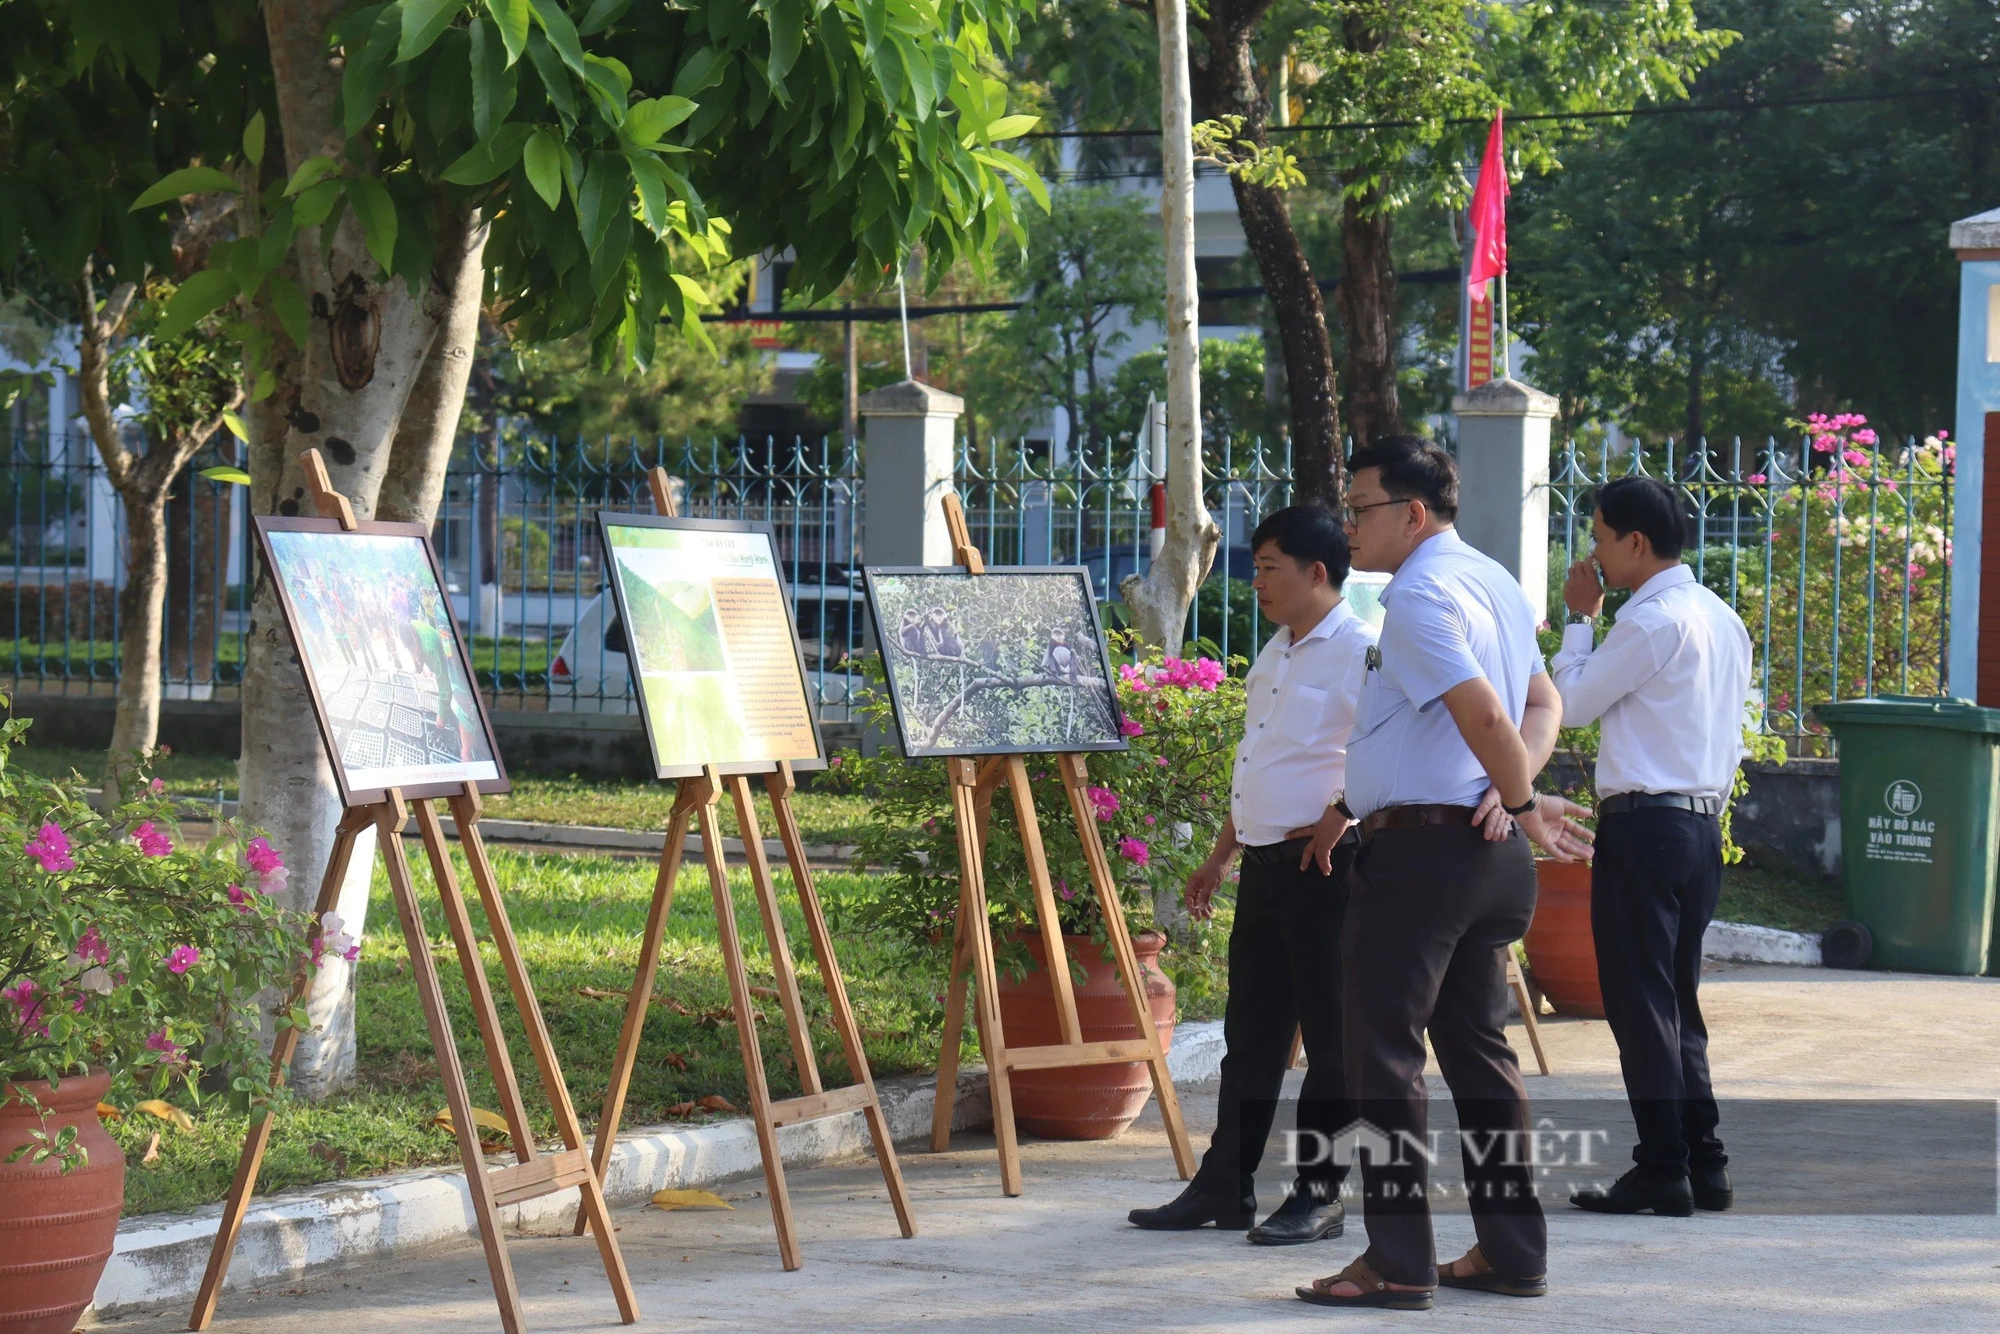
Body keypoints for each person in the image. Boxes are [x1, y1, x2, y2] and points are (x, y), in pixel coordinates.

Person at [1297, 436, 1591, 1311]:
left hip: (1425, 858)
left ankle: (1397, 1262)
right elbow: (1545, 703)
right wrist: (1513, 795)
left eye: (1360, 510)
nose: (1349, 527)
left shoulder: (1423, 595)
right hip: (1481, 858)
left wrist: (1524, 796)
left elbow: (1491, 714)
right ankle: (1511, 1252)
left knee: (1380, 1061)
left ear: (1412, 514)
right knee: (1479, 1058)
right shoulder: (1495, 580)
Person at [1128, 505, 1375, 1246]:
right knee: (1253, 1039)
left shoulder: (1361, 652)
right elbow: (1258, 762)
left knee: (1331, 1043)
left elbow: (1387, 752)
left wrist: (1344, 811)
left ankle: (1320, 1193)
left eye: (1270, 567)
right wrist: (1219, 855)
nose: (1257, 580)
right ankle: (1223, 1184)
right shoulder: (1277, 650)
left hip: (1326, 871)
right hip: (1265, 869)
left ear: (1317, 572)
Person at [1551, 476, 1752, 1217]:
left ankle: (1663, 1165)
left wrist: (1581, 621)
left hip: (1644, 825)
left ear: (1635, 543)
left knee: (1641, 1004)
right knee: (1676, 1001)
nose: (1594, 555)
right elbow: (1729, 740)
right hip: (1699, 826)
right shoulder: (1722, 617)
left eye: (1601, 539)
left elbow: (1569, 707)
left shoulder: (1648, 619)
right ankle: (1704, 1162)